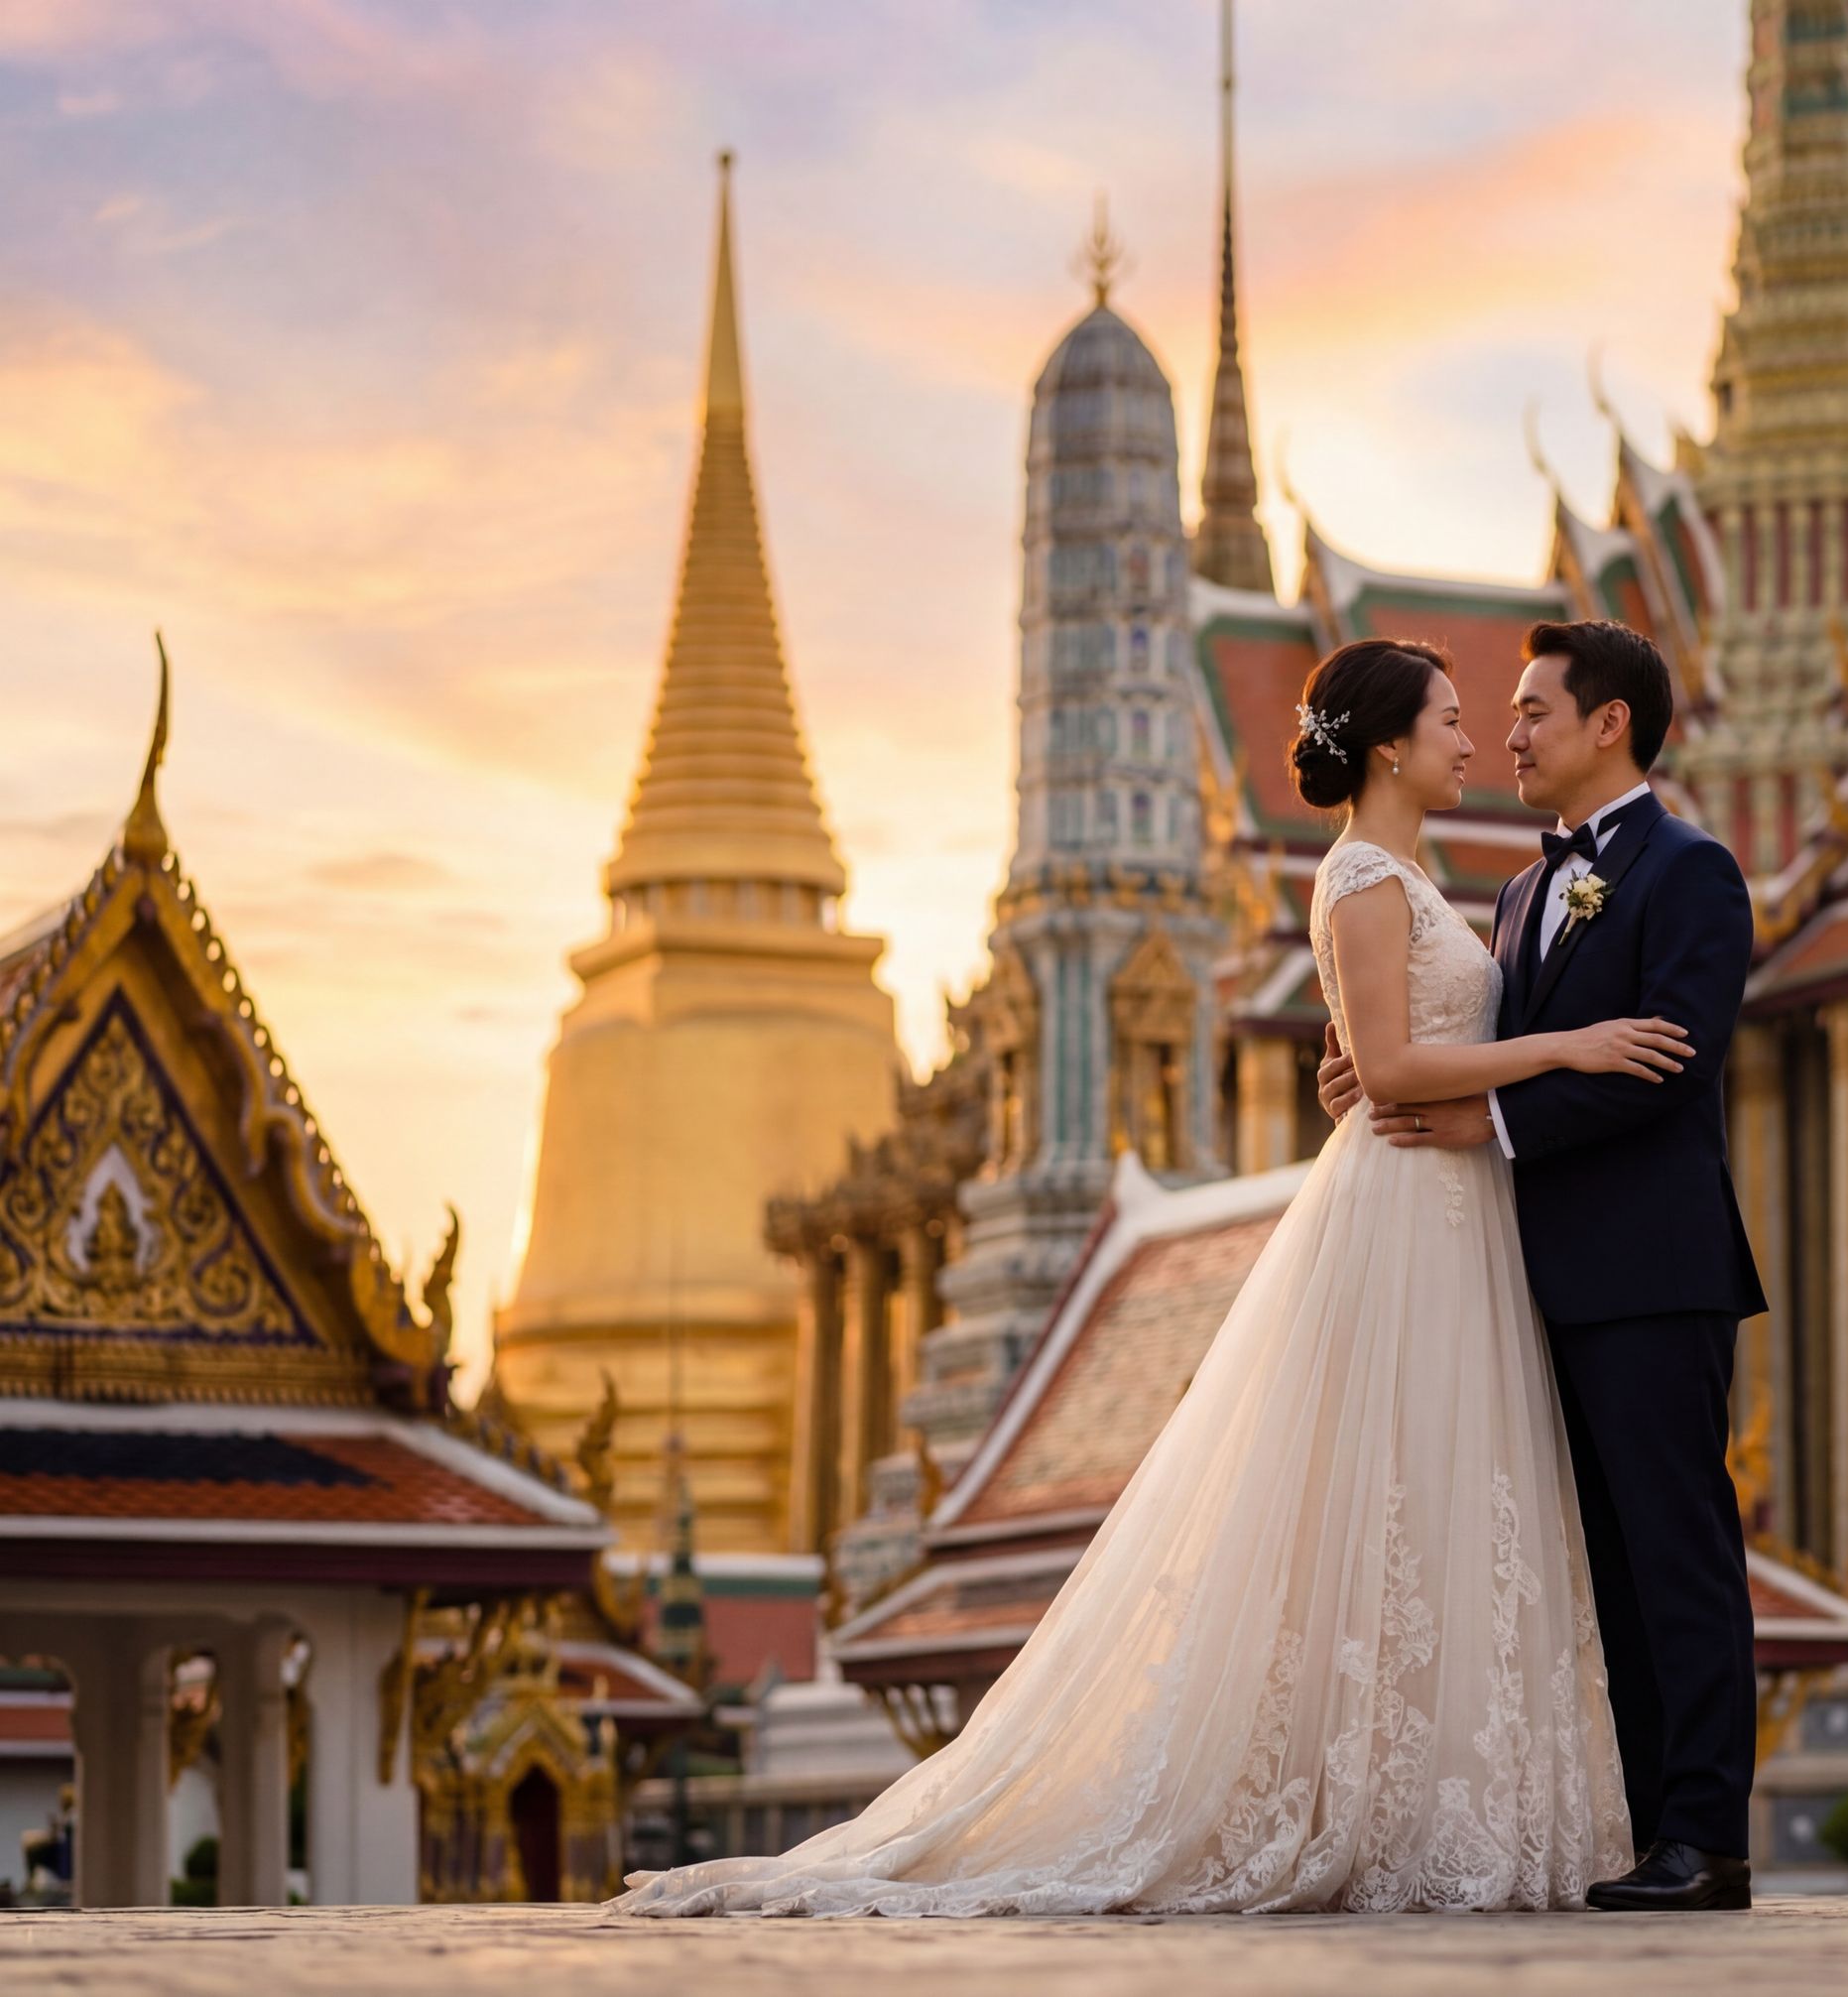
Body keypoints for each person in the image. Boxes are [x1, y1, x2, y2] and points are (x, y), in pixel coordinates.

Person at [610, 636, 1681, 1918]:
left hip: (1459, 1209)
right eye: (1456, 718)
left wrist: (1386, 1062)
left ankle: (1441, 1794)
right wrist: (1571, 1044)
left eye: (1492, 716)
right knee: (1391, 1501)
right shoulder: (1357, 875)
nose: (1478, 737)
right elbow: (1389, 1068)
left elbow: (1370, 1055)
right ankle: (1374, 1803)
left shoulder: (1429, 878)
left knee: (1450, 1500)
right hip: (1409, 1203)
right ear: (1391, 744)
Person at [1319, 618, 1765, 1913]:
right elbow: (1457, 1033)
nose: (1505, 734)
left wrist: (1492, 1116)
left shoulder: (1694, 874)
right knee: (1601, 1568)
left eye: (1530, 712)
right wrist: (1362, 1060)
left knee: (1680, 1552)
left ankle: (1706, 1837)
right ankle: (1640, 1827)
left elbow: (1663, 1059)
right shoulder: (1520, 892)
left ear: (1607, 723)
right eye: (1491, 717)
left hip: (1653, 1264)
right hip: (1529, 1276)